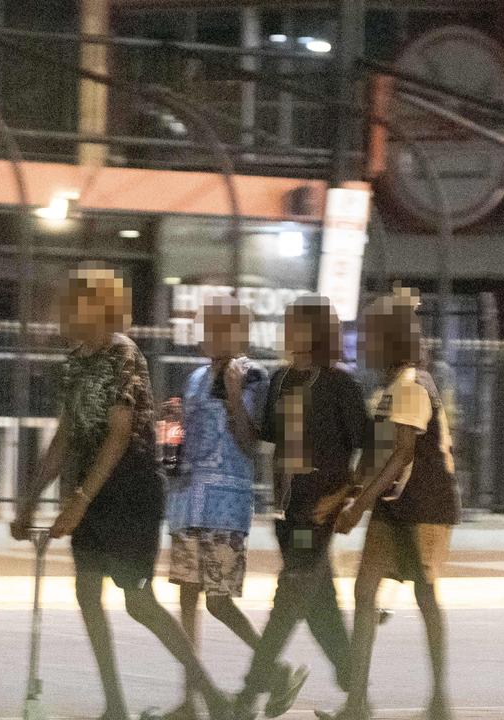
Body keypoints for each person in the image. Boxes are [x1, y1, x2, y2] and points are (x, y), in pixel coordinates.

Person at [11, 266, 234, 720]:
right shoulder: (75, 361)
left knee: (138, 601)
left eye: (75, 302)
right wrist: (31, 496)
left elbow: (117, 435)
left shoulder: (124, 355)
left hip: (129, 491)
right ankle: (115, 704)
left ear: (100, 307)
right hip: (90, 492)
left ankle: (212, 695)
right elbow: (67, 433)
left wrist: (77, 502)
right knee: (87, 595)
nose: (66, 311)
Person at [318, 291, 459, 720]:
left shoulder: (414, 385)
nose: (362, 344)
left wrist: (357, 506)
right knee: (364, 590)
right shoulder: (388, 388)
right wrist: (343, 494)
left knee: (425, 595)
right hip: (394, 500)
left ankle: (439, 700)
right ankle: (356, 702)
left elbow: (400, 454)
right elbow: (376, 456)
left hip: (426, 502)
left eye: (371, 336)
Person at [164, 297, 306, 720]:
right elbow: (183, 437)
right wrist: (170, 434)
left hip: (225, 504)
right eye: (206, 326)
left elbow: (250, 442)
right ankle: (190, 699)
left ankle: (276, 671)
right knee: (187, 598)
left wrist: (231, 394)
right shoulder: (192, 380)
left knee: (218, 601)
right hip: (188, 500)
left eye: (220, 327)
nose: (210, 335)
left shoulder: (254, 378)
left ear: (240, 333)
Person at [231, 295, 364, 720]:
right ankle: (355, 695)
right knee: (318, 605)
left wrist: (345, 494)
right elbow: (262, 439)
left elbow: (375, 447)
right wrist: (234, 396)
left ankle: (248, 696)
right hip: (287, 517)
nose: (286, 330)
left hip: (315, 516)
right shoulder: (280, 380)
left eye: (293, 323)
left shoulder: (339, 384)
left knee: (286, 600)